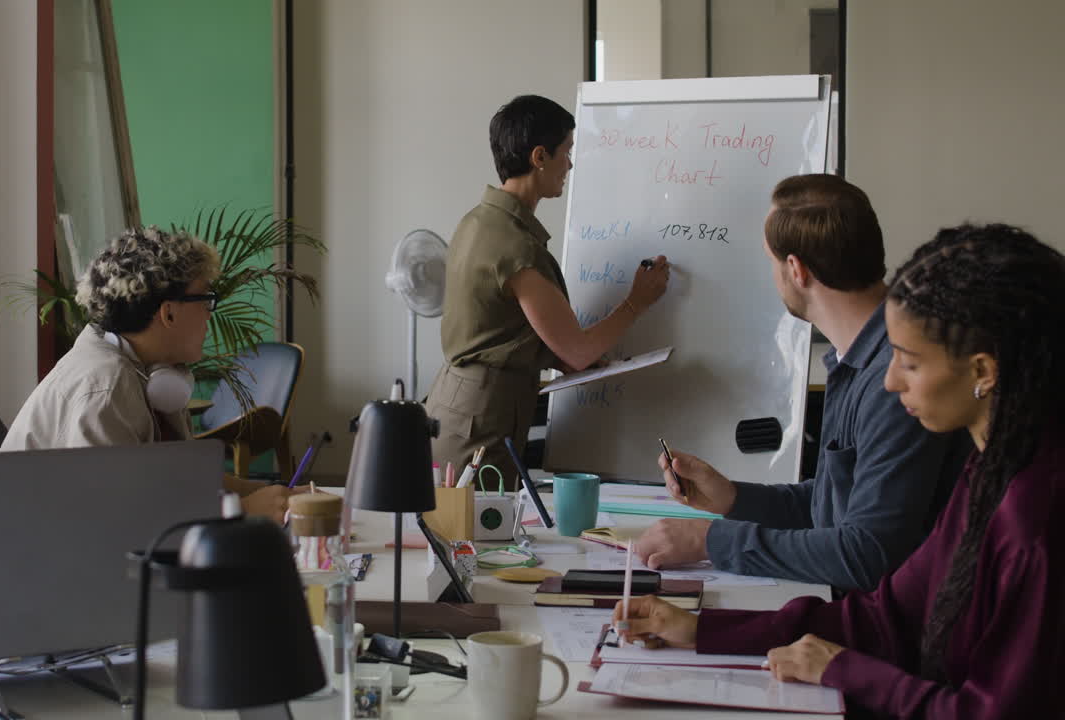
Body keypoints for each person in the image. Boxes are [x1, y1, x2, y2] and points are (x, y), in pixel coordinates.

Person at [614, 223, 1065, 718]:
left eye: (910, 363)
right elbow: (881, 617)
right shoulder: (987, 471)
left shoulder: (1033, 522)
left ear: (982, 371)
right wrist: (702, 630)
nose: (891, 382)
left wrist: (843, 670)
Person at [635, 174, 970, 592]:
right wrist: (734, 499)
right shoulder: (857, 357)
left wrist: (711, 540)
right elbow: (833, 506)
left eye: (771, 261)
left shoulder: (896, 380)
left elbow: (866, 553)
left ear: (796, 269)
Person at [425, 94, 670, 484]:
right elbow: (577, 351)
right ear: (539, 157)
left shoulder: (477, 221)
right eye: (566, 152)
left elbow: (498, 325)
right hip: (481, 421)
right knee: (476, 534)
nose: (569, 164)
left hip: (458, 406)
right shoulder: (516, 248)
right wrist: (636, 302)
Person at [2, 226, 294, 522]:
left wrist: (270, 494)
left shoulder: (153, 371)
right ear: (168, 313)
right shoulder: (105, 386)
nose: (209, 314)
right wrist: (244, 510)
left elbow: (182, 478)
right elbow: (111, 517)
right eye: (206, 301)